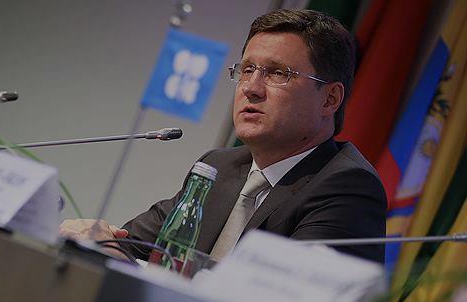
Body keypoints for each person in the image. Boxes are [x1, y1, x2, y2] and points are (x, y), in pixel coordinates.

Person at [60, 9, 386, 264]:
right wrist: (97, 240)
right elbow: (132, 244)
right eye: (247, 69)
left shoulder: (347, 187)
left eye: (277, 73)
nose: (251, 88)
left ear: (329, 99)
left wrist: (125, 259)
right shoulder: (220, 166)